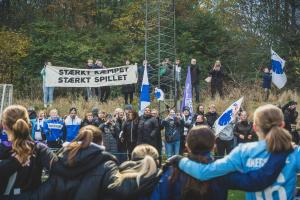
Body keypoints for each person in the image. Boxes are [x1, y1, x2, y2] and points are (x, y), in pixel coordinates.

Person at [173, 104, 299, 200]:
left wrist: (179, 160)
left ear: (254, 127)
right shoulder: (294, 152)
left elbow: (204, 172)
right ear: (282, 125)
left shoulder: (244, 151)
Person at [6, 126, 155, 200]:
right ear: (101, 142)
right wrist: (145, 168)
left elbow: (38, 195)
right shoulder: (107, 165)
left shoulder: (61, 162)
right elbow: (121, 190)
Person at [152, 126, 291, 200]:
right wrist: (282, 151)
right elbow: (257, 180)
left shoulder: (170, 171)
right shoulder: (222, 172)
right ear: (213, 146)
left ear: (187, 146)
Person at [0, 105, 56, 195]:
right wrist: (39, 194)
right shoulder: (39, 149)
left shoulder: (2, 149)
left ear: (4, 125)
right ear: (28, 124)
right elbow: (63, 172)